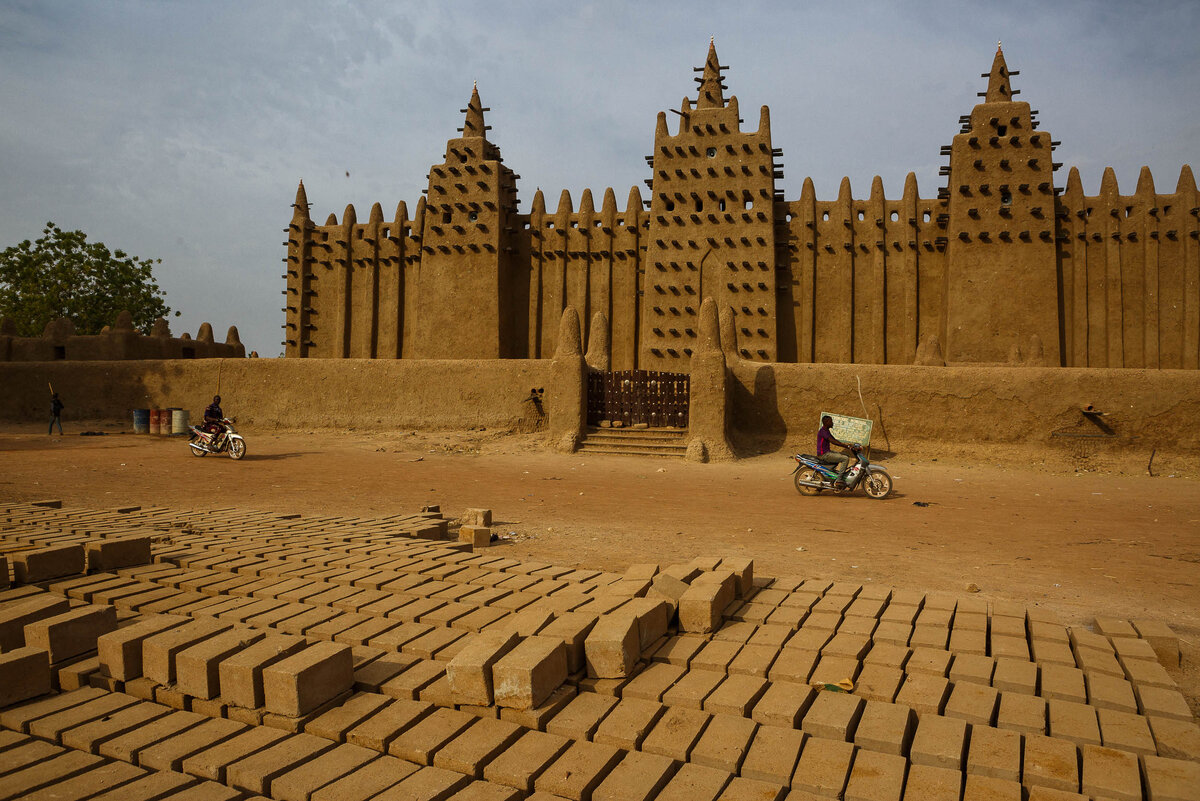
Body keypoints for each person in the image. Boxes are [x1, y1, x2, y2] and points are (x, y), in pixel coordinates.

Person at [817, 415, 853, 484]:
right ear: (826, 422)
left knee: (845, 455)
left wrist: (848, 445)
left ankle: (834, 475)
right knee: (845, 458)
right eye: (831, 421)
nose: (832, 423)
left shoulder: (826, 430)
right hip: (824, 454)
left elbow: (834, 439)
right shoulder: (823, 432)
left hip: (827, 452)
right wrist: (847, 447)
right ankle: (839, 479)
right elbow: (833, 441)